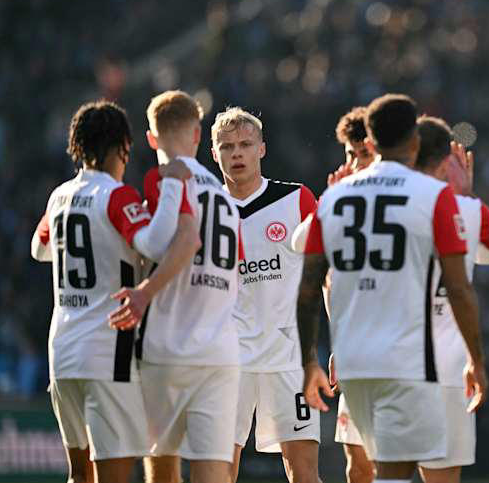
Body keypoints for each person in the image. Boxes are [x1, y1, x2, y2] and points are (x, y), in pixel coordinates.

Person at [297, 94, 489, 483]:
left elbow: (308, 286)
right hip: (406, 359)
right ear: (414, 142)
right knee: (396, 470)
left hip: (356, 360)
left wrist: (308, 360)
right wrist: (477, 360)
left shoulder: (334, 198)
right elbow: (459, 287)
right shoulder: (432, 196)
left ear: (371, 142)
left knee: (384, 469)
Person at [31, 100, 197, 483]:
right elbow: (155, 244)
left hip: (62, 352)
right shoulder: (117, 196)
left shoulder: (58, 197)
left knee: (79, 475)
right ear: (123, 146)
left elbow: (39, 249)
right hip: (108, 354)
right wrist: (172, 185)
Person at [136, 90, 244, 483]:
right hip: (219, 350)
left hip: (167, 347)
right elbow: (237, 269)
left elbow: (156, 245)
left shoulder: (162, 180)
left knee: (162, 464)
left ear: (152, 138)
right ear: (198, 134)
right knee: (212, 469)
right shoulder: (225, 198)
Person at [208, 107, 320, 482]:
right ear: (214, 154)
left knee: (304, 473)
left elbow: (326, 276)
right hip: (225, 359)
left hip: (289, 356)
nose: (236, 153)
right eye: (227, 147)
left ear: (262, 149)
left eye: (245, 144)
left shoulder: (297, 200)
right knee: (217, 474)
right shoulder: (206, 210)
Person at [413, 116, 489, 483]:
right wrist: (467, 195)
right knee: (442, 475)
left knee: (383, 470)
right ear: (446, 162)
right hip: (449, 365)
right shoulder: (466, 210)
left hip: (391, 358)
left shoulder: (384, 204)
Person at [330, 106, 377, 483]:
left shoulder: (405, 198)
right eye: (350, 154)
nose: (355, 163)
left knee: (395, 459)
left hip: (400, 346)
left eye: (363, 153)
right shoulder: (339, 203)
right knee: (357, 463)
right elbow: (331, 281)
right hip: (356, 346)